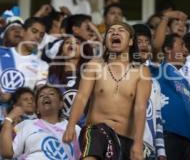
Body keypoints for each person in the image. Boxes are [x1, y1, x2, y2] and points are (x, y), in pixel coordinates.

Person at [63, 22, 151, 159]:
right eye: (111, 31)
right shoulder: (94, 65)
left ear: (131, 41)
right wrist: (70, 125)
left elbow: (140, 107)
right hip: (96, 130)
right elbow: (81, 97)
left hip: (126, 138)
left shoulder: (142, 71)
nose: (115, 33)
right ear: (105, 42)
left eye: (121, 30)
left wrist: (138, 142)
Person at [0, 17, 49, 160]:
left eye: (41, 35)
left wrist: (14, 98)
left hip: (22, 120)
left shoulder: (42, 65)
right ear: (23, 32)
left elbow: (40, 92)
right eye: (34, 31)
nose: (37, 37)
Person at [0, 85, 81, 159]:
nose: (46, 96)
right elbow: (7, 153)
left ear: (61, 104)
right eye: (41, 95)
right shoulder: (26, 125)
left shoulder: (75, 129)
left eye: (51, 94)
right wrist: (8, 119)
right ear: (37, 109)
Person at [133, 24, 167, 159]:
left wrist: (161, 153)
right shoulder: (122, 75)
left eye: (147, 42)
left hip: (150, 150)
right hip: (127, 143)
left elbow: (157, 120)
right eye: (139, 41)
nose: (144, 45)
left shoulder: (155, 84)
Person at [48, 35, 92, 122]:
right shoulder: (53, 77)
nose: (72, 44)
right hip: (60, 126)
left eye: (77, 43)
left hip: (85, 127)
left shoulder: (90, 73)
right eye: (67, 42)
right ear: (61, 52)